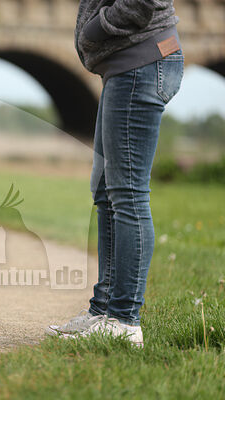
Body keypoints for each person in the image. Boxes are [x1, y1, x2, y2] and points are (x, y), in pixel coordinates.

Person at [47, 0, 184, 347]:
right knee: (107, 192)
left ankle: (124, 320)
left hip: (140, 62)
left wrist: (95, 30)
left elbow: (144, 3)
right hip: (125, 68)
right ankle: (103, 312)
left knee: (128, 194)